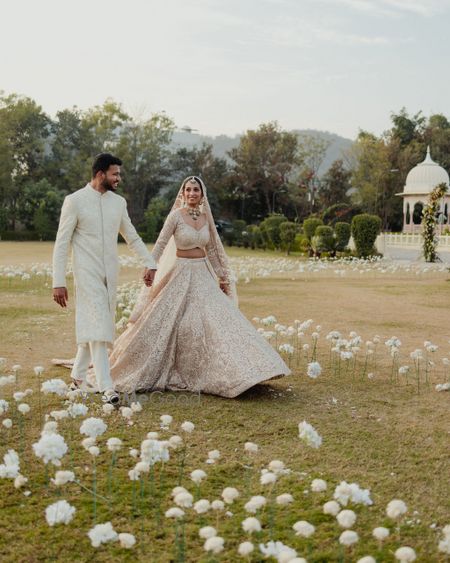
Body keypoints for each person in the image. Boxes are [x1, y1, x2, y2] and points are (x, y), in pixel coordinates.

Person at [106, 175, 290, 398]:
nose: (192, 193)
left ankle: (246, 372)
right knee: (177, 322)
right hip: (181, 274)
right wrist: (150, 266)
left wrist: (222, 278)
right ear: (182, 194)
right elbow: (162, 243)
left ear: (202, 195)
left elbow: (212, 249)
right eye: (189, 190)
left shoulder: (205, 218)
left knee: (219, 320)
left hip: (203, 274)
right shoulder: (176, 216)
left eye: (196, 190)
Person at [52, 153, 157, 404]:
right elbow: (62, 243)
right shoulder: (74, 201)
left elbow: (131, 236)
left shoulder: (118, 203)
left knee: (96, 326)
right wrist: (59, 281)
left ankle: (77, 376)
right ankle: (106, 387)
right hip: (86, 274)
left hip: (110, 275)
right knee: (98, 327)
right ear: (101, 174)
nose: (118, 178)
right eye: (115, 174)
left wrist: (150, 262)